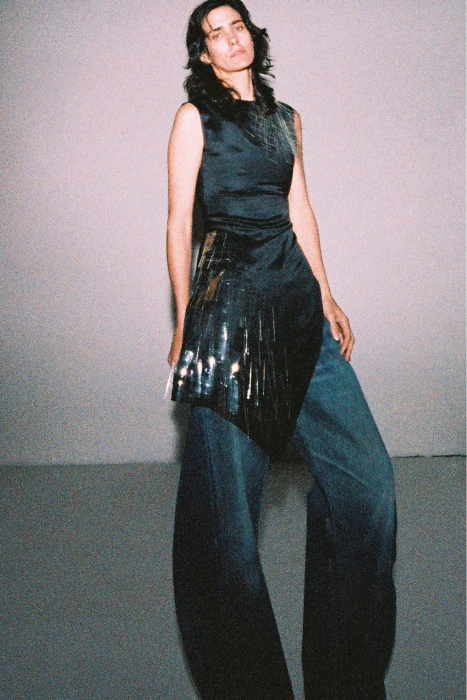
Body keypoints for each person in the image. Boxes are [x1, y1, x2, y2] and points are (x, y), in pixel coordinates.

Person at [166, 2, 397, 698]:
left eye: (237, 27)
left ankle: (345, 679)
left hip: (297, 313)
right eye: (215, 34)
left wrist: (327, 295)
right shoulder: (193, 119)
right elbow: (178, 221)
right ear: (204, 54)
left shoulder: (287, 119)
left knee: (369, 490)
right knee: (230, 535)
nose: (230, 39)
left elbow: (300, 211)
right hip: (230, 323)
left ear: (252, 38)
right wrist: (184, 321)